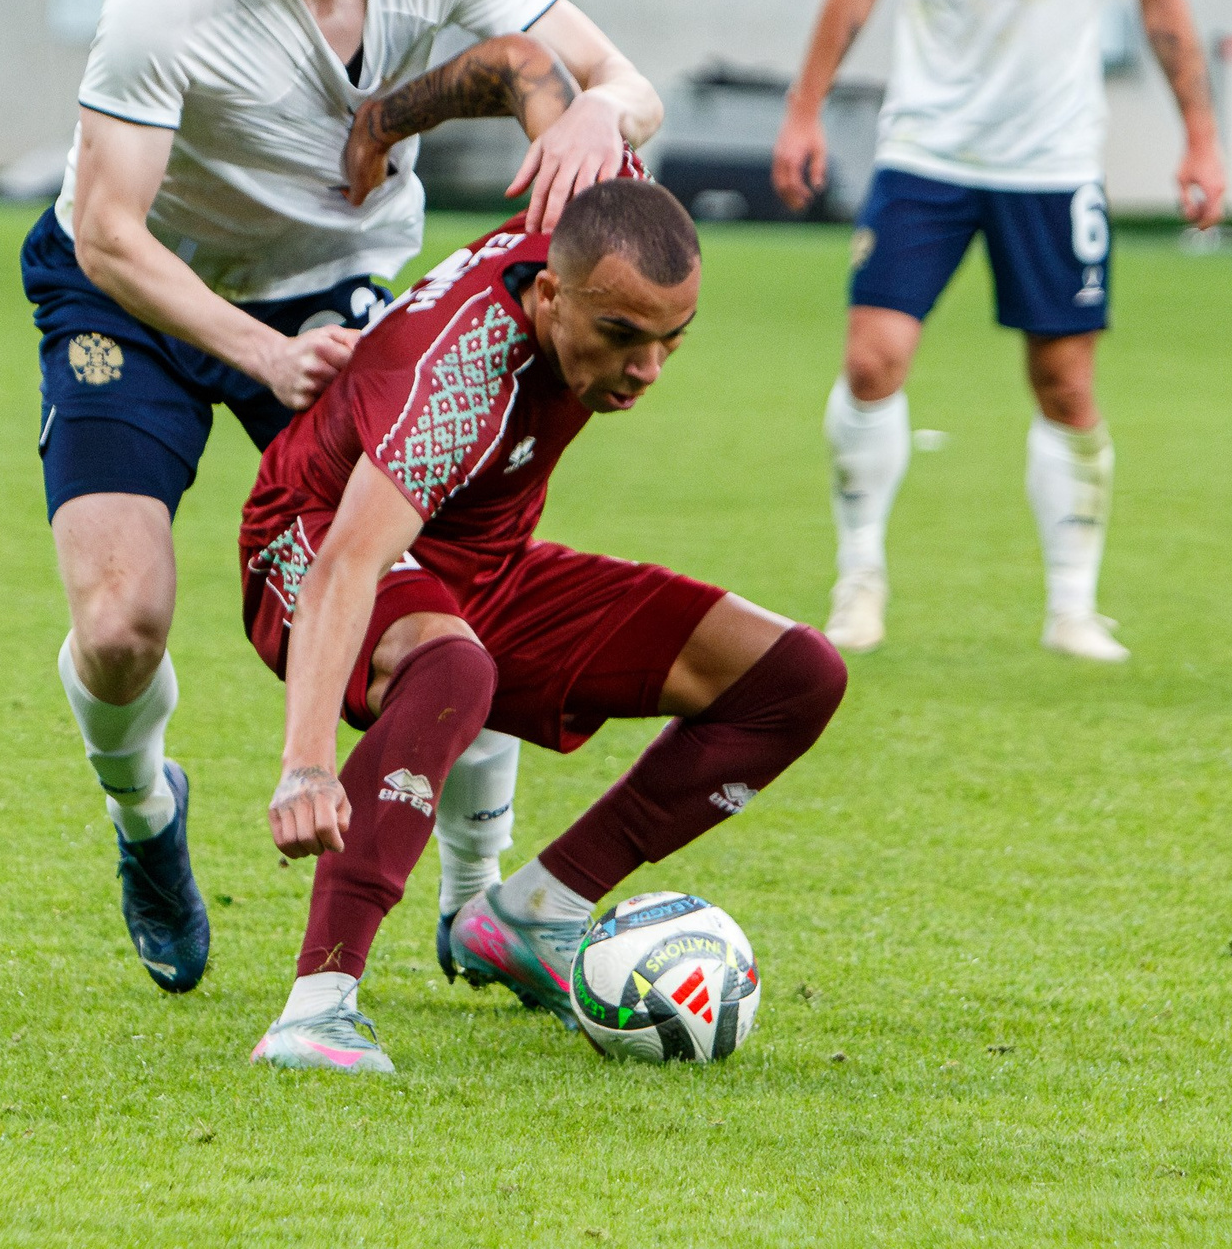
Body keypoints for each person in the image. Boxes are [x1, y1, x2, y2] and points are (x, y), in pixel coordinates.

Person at [24, 0, 665, 999]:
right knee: (118, 625)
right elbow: (106, 230)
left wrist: (601, 109)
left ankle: (477, 900)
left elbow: (621, 82)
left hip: (345, 291)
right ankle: (145, 813)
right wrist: (265, 355)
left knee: (439, 595)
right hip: (146, 294)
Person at [240, 180, 846, 1071]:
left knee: (795, 677)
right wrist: (305, 764)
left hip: (483, 563)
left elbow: (588, 79)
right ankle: (317, 1006)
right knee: (453, 670)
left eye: (672, 339)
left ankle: (534, 913)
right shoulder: (457, 378)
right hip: (313, 540)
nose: (647, 370)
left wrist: (597, 101)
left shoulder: (595, 209)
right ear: (550, 295)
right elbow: (348, 567)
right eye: (622, 338)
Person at [769, 0, 1226, 664]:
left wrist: (1199, 132)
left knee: (1064, 385)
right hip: (926, 149)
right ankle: (859, 581)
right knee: (871, 358)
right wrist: (802, 112)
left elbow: (1161, 1)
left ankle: (1072, 604)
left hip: (1053, 161)